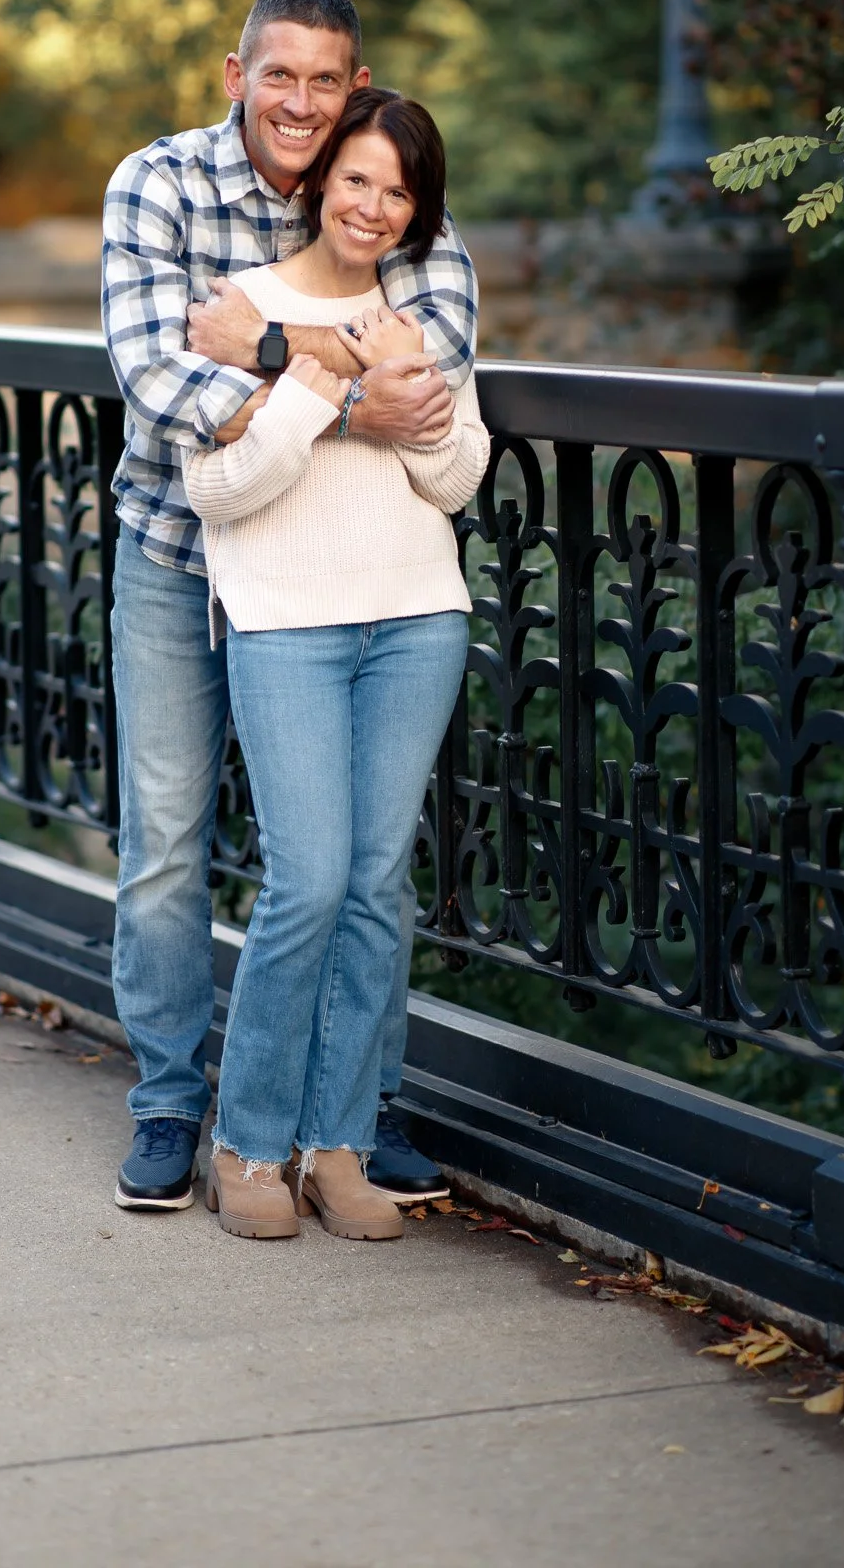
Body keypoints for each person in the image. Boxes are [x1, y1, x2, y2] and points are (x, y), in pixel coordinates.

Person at [102, 0, 480, 1211]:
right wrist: (336, 370)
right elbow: (160, 382)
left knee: (360, 866)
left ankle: (352, 1116)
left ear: (356, 86)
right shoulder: (157, 183)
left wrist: (266, 346)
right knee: (170, 843)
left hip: (337, 585)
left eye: (328, 79)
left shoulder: (390, 199)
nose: (303, 101)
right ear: (236, 75)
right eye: (281, 75)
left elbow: (436, 385)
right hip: (178, 555)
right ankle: (171, 1104)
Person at [182, 87, 489, 1239]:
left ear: (418, 213)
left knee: (373, 888)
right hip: (283, 624)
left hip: (416, 617)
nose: (372, 204)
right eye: (356, 178)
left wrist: (421, 403)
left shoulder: (419, 315)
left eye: (399, 190)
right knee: (306, 880)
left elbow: (456, 483)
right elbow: (214, 488)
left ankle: (337, 1143)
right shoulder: (238, 311)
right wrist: (314, 389)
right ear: (320, 183)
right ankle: (249, 1144)